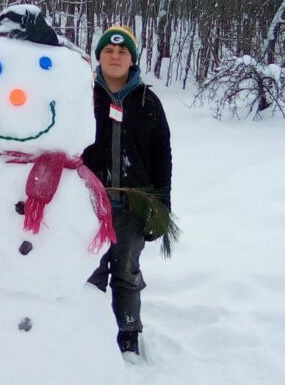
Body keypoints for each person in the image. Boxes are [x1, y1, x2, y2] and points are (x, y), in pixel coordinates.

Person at [83, 26, 172, 356]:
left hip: (132, 208)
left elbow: (162, 154)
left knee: (126, 272)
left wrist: (161, 205)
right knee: (88, 274)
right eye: (108, 51)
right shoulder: (81, 96)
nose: (115, 56)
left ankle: (128, 331)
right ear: (100, 57)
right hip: (87, 207)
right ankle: (88, 332)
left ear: (132, 58)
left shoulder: (148, 101)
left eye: (122, 52)